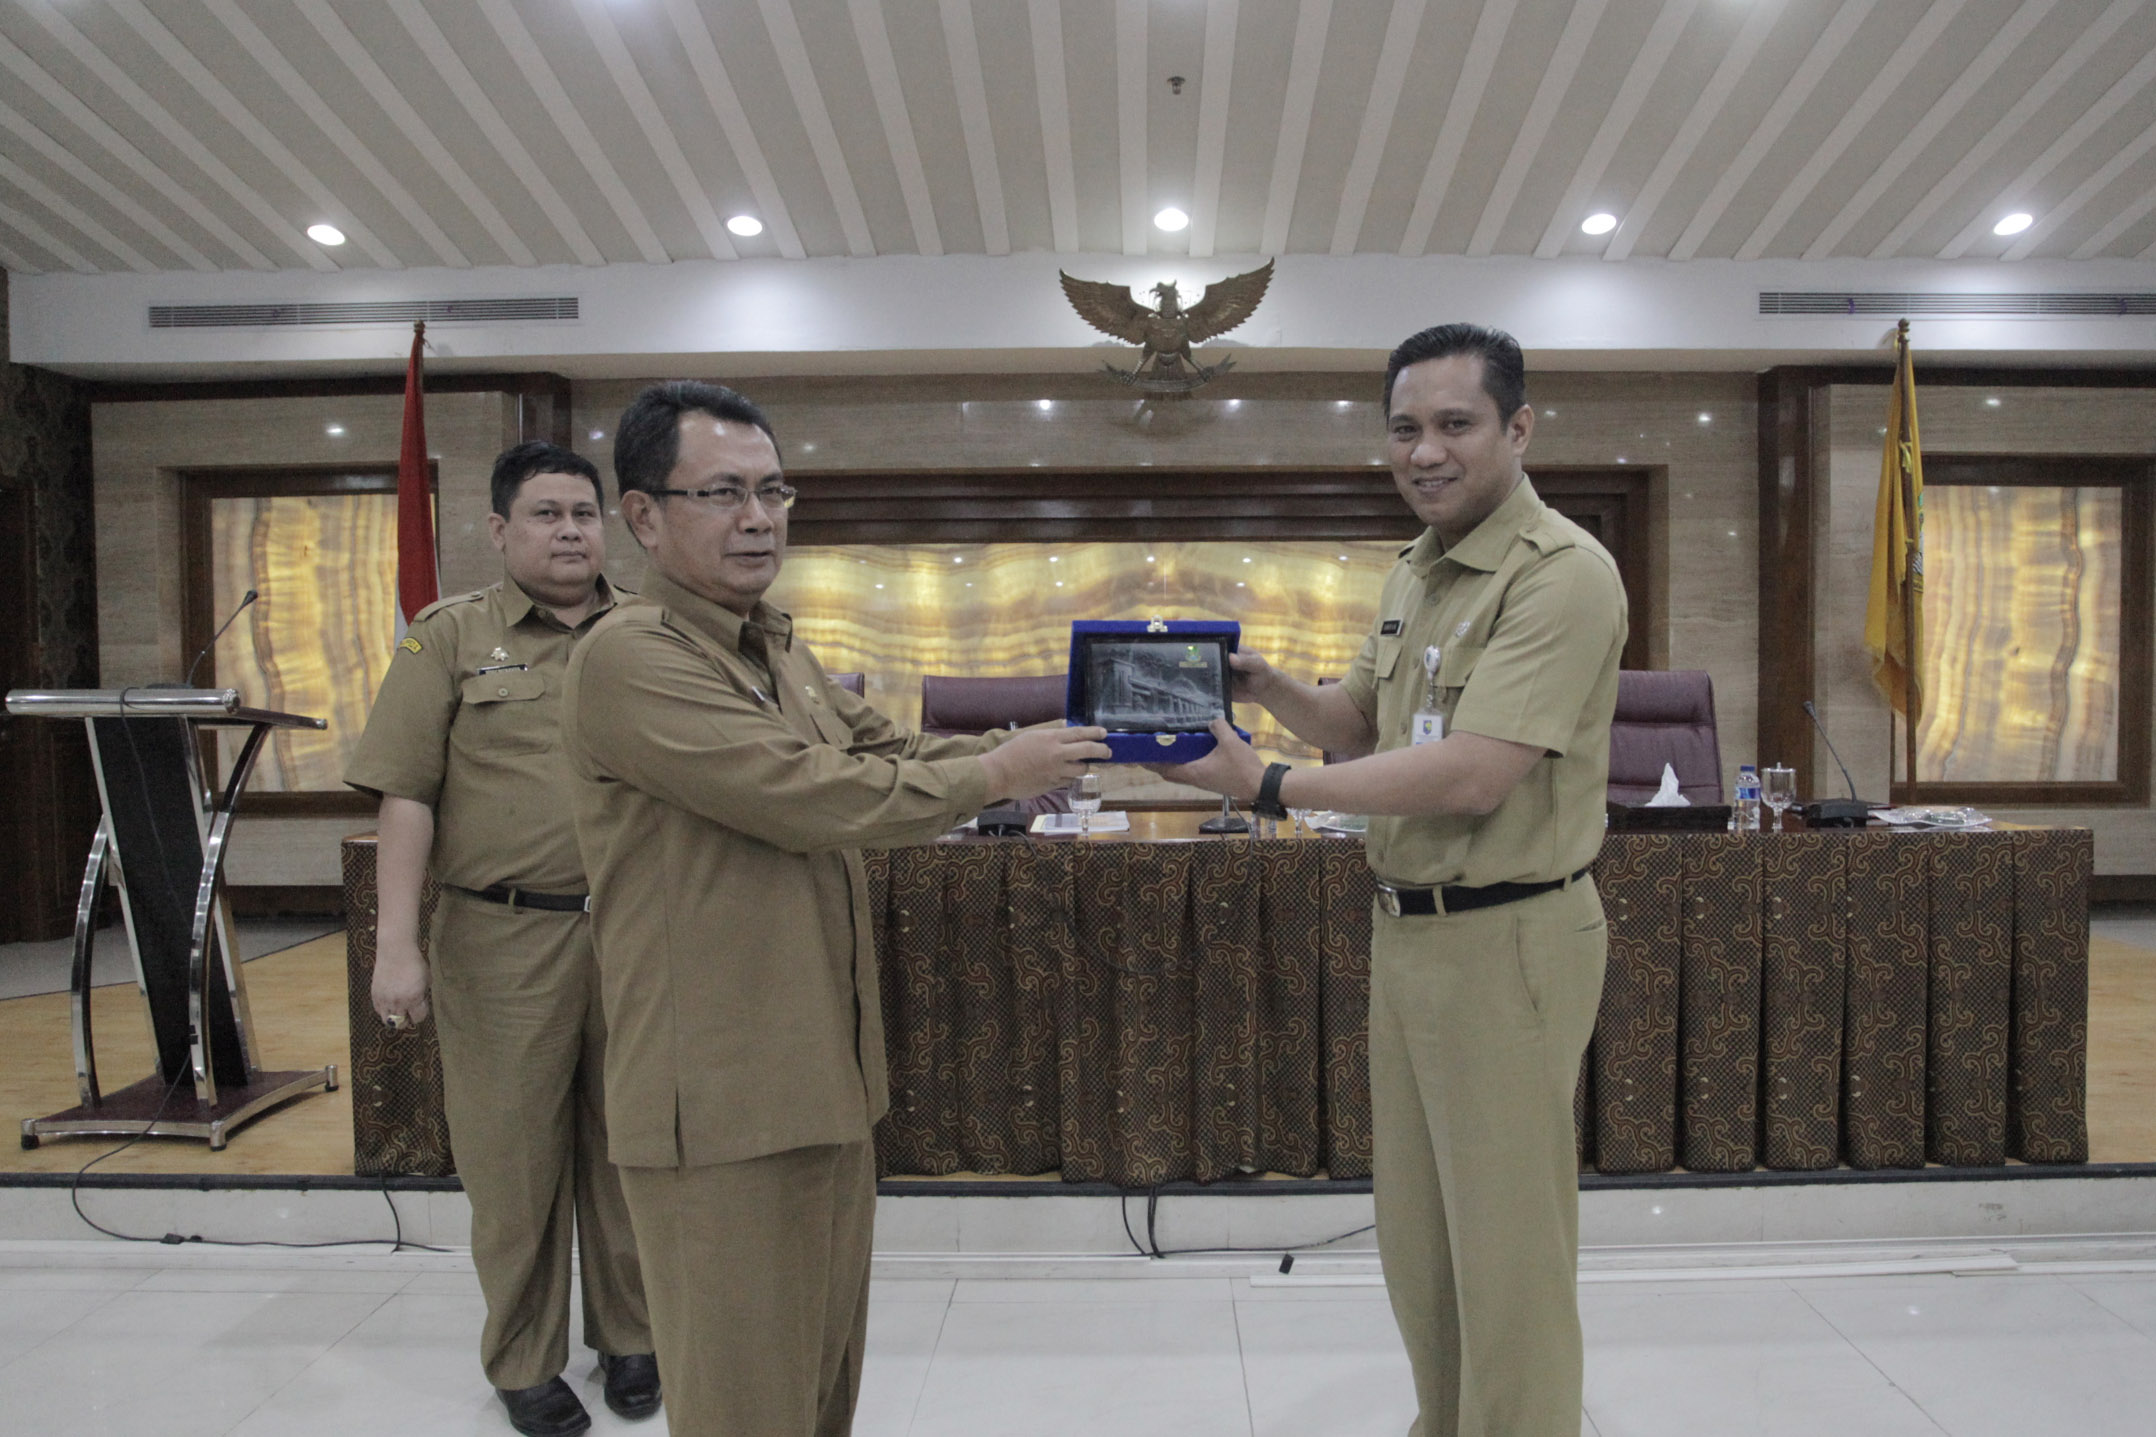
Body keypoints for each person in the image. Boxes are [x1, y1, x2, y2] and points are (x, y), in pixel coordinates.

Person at [560, 381, 1109, 1436]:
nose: (758, 518)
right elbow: (806, 794)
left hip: (821, 1078)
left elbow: (890, 748)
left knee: (820, 1390)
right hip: (717, 1101)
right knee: (743, 1403)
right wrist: (999, 775)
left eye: (773, 491)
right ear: (643, 516)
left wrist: (1059, 739)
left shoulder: (770, 645)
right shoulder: (633, 656)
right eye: (723, 492)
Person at [1162, 324, 1626, 1437]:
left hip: (1509, 938)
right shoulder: (1416, 567)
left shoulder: (1560, 574)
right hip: (1410, 933)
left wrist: (1267, 786)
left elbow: (1473, 773)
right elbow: (1359, 722)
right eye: (1405, 428)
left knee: (1506, 1247)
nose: (1424, 452)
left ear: (1517, 428)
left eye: (1455, 425)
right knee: (1422, 1239)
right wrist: (1263, 683)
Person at [347, 440, 658, 1437]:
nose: (569, 531)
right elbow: (406, 796)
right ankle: (524, 1360)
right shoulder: (448, 638)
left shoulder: (650, 631)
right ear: (498, 529)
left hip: (636, 935)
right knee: (512, 1163)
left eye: (583, 513)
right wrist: (395, 947)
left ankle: (634, 1337)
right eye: (545, 514)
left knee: (631, 1149)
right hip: (500, 937)